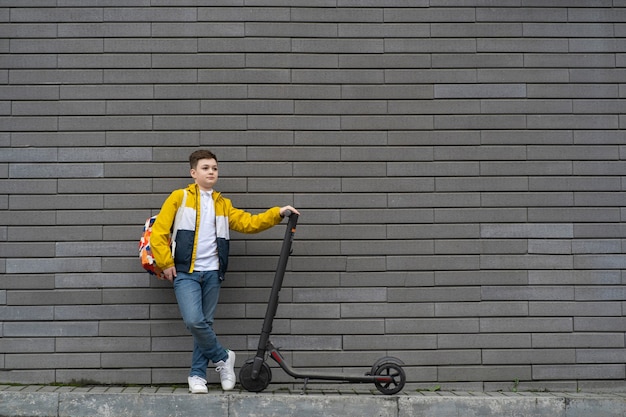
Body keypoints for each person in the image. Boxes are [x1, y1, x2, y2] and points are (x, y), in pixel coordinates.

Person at [150, 149, 299, 394]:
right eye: (206, 168)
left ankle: (197, 376)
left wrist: (277, 213)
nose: (211, 172)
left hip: (212, 273)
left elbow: (248, 223)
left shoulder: (223, 204)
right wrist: (166, 263)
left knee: (205, 323)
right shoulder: (180, 197)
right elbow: (160, 232)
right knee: (194, 321)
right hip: (186, 272)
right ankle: (223, 357)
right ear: (193, 172)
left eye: (215, 168)